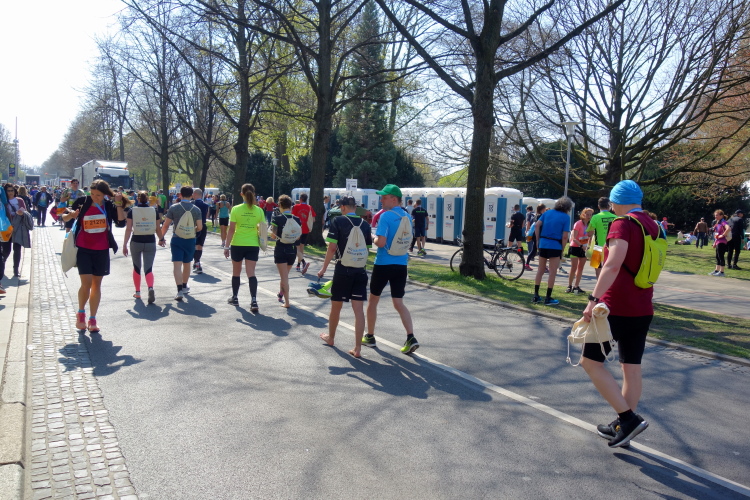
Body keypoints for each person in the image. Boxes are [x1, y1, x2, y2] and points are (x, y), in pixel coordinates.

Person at [580, 179, 657, 448]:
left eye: (613, 202)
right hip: (643, 306)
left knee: (590, 362)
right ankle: (622, 427)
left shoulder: (622, 224)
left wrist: (593, 300)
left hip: (616, 306)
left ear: (616, 201)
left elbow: (612, 265)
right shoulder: (653, 225)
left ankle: (627, 419)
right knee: (631, 367)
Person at [61, 180, 127, 332]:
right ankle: (81, 314)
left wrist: (118, 204)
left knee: (97, 285)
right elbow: (63, 217)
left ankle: (93, 319)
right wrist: (71, 215)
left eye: (98, 195)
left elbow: (121, 223)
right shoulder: (82, 202)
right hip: (83, 248)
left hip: (101, 249)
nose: (95, 197)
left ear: (105, 195)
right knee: (86, 284)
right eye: (92, 194)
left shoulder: (108, 205)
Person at [363, 184, 420, 354]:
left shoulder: (386, 216)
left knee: (373, 301)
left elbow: (381, 243)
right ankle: (411, 336)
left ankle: (370, 336)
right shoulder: (407, 216)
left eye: (384, 197)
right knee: (398, 302)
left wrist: (372, 236)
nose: (381, 200)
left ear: (394, 199)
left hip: (383, 264)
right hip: (401, 264)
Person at [317, 196, 372, 357]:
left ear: (342, 207)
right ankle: (357, 348)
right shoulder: (365, 225)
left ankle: (331, 337)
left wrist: (323, 268)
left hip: (343, 269)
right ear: (355, 207)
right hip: (360, 270)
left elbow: (332, 248)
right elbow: (367, 249)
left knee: (336, 306)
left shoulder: (338, 221)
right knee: (358, 310)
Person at [224, 184, 265, 311]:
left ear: (241, 194)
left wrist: (226, 246)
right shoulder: (259, 210)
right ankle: (254, 300)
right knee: (251, 273)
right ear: (254, 194)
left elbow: (231, 230)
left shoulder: (236, 209)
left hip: (237, 244)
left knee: (236, 272)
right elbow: (263, 230)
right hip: (253, 244)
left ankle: (235, 297)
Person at [162, 186, 203, 301]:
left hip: (177, 239)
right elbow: (200, 227)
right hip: (190, 239)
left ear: (180, 194)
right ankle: (185, 285)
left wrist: (161, 237)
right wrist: (192, 229)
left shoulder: (174, 208)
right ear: (192, 195)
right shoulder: (196, 209)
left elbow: (166, 225)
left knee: (177, 265)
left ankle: (179, 290)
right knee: (187, 264)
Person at [123, 191, 164, 303]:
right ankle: (150, 287)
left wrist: (125, 244)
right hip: (150, 241)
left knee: (137, 267)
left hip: (136, 240)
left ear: (138, 199)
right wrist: (161, 239)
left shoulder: (132, 211)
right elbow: (158, 228)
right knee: (148, 268)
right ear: (148, 199)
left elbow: (128, 229)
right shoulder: (154, 211)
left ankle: (137, 292)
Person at [532, 197, 572, 305]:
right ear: (568, 207)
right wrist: (562, 249)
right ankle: (548, 297)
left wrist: (538, 240)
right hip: (555, 245)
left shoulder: (547, 213)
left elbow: (537, 225)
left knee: (540, 270)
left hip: (543, 243)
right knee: (552, 272)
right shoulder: (566, 217)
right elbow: (565, 236)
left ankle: (536, 295)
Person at [270, 195, 301, 308]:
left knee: (284, 278)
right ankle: (280, 293)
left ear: (280, 205)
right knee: (285, 275)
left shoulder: (277, 218)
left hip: (281, 249)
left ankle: (287, 302)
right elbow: (298, 237)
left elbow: (273, 236)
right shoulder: (297, 219)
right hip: (292, 250)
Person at [2, 184, 28, 279]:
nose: (10, 192)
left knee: (17, 249)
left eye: (12, 190)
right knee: (6, 250)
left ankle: (16, 270)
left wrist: (21, 212)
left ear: (15, 191)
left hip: (18, 227)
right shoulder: (3, 201)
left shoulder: (19, 200)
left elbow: (24, 210)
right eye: (8, 191)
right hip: (6, 227)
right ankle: (2, 265)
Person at [587, 197, 617, 278]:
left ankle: (599, 285)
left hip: (598, 247)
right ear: (609, 206)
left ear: (598, 206)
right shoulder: (615, 217)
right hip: (611, 247)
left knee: (597, 269)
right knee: (610, 270)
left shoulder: (595, 217)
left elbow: (589, 233)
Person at [566, 207, 593, 294]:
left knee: (580, 268)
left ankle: (576, 286)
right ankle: (569, 286)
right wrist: (581, 245)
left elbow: (590, 236)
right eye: (587, 214)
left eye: (590, 215)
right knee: (574, 267)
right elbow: (574, 238)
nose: (589, 216)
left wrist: (588, 245)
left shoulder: (590, 225)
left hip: (584, 247)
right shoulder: (578, 223)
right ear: (583, 215)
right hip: (575, 247)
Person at [292, 193, 316, 274]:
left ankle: (303, 262)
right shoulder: (309, 207)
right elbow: (313, 219)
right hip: (306, 230)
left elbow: (292, 218)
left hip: (297, 230)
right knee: (301, 248)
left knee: (296, 248)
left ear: (300, 199)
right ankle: (298, 265)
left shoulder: (296, 206)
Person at [191, 188, 209, 274]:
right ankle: (197, 263)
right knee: (200, 246)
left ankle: (197, 263)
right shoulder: (205, 205)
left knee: (194, 245)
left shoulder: (192, 204)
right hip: (203, 225)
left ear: (195, 194)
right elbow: (207, 216)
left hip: (193, 226)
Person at [709, 210, 731, 277]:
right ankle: (716, 270)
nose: (715, 216)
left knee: (721, 256)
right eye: (715, 215)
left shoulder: (723, 222)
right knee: (717, 256)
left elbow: (728, 228)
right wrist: (715, 242)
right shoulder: (718, 222)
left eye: (717, 215)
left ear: (721, 216)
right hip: (718, 241)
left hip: (722, 241)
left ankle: (722, 272)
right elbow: (716, 234)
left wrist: (723, 235)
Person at [525, 204, 546, 270]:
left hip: (534, 234)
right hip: (538, 235)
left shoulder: (536, 215)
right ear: (543, 209)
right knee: (540, 251)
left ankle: (527, 264)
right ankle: (543, 267)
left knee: (534, 250)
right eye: (545, 209)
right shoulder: (541, 216)